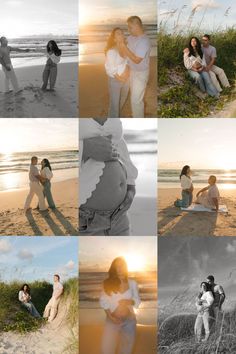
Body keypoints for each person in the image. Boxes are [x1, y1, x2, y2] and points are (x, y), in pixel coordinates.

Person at [79, 118, 138, 236]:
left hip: (120, 214)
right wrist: (84, 147)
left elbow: (118, 141)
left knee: (121, 254)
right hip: (87, 221)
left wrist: (130, 182)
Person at [100, 257, 141, 354]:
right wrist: (110, 316)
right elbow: (103, 301)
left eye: (121, 266)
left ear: (125, 267)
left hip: (129, 322)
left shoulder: (132, 283)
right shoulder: (108, 283)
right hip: (112, 321)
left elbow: (137, 300)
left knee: (126, 350)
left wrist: (129, 302)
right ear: (114, 269)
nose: (119, 269)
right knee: (106, 350)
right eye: (116, 267)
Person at [118, 16, 151, 118]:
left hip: (141, 73)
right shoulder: (130, 38)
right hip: (131, 71)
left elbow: (137, 60)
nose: (128, 30)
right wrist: (120, 44)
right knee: (134, 97)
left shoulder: (144, 41)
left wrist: (123, 47)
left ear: (137, 25)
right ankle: (137, 115)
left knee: (136, 100)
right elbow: (123, 53)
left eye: (130, 27)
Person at [105, 28, 130, 118]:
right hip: (115, 81)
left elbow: (127, 62)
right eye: (118, 34)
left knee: (122, 100)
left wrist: (126, 74)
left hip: (126, 79)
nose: (122, 35)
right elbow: (111, 69)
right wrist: (121, 79)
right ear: (114, 39)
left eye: (122, 33)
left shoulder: (126, 48)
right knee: (114, 105)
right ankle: (113, 121)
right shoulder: (111, 51)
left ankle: (115, 116)